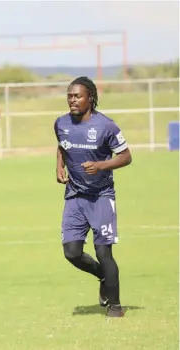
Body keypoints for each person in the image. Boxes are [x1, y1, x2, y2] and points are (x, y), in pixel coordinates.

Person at [54, 76, 132, 318]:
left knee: (103, 252)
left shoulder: (106, 126)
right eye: (70, 96)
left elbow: (126, 156)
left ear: (91, 99)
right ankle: (102, 276)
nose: (72, 100)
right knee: (72, 253)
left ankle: (115, 306)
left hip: (101, 196)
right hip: (75, 196)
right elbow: (62, 145)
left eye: (77, 96)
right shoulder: (61, 123)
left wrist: (101, 165)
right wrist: (59, 166)